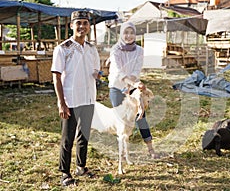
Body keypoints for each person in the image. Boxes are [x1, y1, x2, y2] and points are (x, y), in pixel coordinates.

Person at [51, 10, 100, 186]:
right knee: (67, 138)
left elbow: (95, 71)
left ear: (89, 26)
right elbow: (56, 76)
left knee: (84, 135)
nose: (82, 26)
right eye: (78, 23)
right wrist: (61, 102)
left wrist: (100, 74)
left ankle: (81, 167)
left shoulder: (92, 49)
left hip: (88, 98)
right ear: (72, 25)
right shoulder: (63, 48)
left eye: (85, 23)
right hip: (70, 99)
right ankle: (64, 172)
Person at [107, 21, 159, 159]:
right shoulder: (115, 50)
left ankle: (150, 149)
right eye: (126, 32)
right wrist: (131, 84)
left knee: (140, 117)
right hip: (117, 87)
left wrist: (133, 85)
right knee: (122, 119)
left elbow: (136, 70)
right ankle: (123, 151)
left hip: (132, 87)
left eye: (132, 33)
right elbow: (118, 72)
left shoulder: (140, 51)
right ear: (121, 34)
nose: (129, 35)